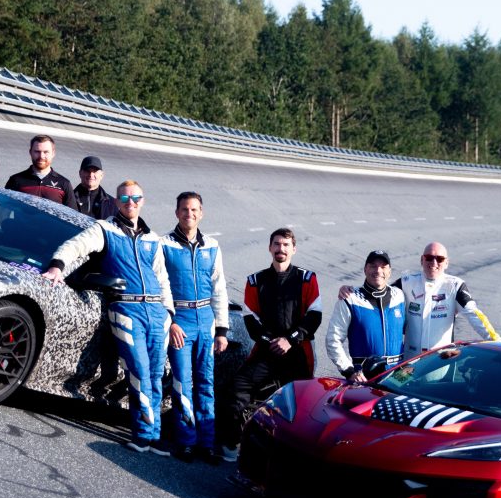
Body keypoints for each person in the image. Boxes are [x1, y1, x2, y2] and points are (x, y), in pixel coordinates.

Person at [42, 180, 175, 454]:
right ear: (116, 201)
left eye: (136, 197)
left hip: (156, 312)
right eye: (125, 198)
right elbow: (75, 246)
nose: (131, 202)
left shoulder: (153, 239)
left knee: (155, 373)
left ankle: (154, 433)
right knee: (138, 371)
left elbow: (163, 281)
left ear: (142, 200)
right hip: (125, 308)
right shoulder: (105, 229)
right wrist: (57, 266)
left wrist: (169, 313)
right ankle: (142, 433)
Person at [220, 228, 321, 462]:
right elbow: (250, 320)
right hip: (266, 352)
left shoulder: (307, 278)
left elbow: (314, 317)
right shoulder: (255, 281)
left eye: (286, 245)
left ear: (293, 249)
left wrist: (291, 340)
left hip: (298, 354)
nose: (281, 249)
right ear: (269, 248)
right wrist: (272, 341)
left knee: (299, 408)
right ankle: (232, 443)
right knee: (236, 390)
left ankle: (293, 456)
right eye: (276, 244)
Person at [337, 242, 501, 355]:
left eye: (439, 259)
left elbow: (474, 314)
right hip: (409, 362)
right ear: (422, 260)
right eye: (429, 258)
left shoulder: (455, 286)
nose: (433, 262)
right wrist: (350, 290)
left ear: (446, 263)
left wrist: (497, 340)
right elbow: (377, 291)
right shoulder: (407, 282)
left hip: (440, 361)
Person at [160, 191, 229, 460]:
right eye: (185, 210)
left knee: (206, 383)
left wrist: (221, 330)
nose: (190, 214)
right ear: (176, 212)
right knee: (182, 382)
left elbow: (219, 288)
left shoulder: (211, 246)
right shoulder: (164, 244)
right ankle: (186, 441)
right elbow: (158, 288)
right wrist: (170, 322)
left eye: (194, 210)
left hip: (206, 322)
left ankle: (207, 443)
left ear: (202, 213)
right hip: (181, 322)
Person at [327, 250, 408, 380]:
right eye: (373, 266)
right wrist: (349, 371)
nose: (378, 270)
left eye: (383, 267)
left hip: (398, 377)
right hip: (364, 377)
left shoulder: (399, 295)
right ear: (365, 269)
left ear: (389, 271)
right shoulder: (349, 298)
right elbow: (333, 340)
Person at [6, 134, 73, 205]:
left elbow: (73, 215)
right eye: (37, 152)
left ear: (53, 154)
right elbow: (4, 210)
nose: (41, 156)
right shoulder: (16, 180)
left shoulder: (64, 184)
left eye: (46, 152)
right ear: (30, 152)